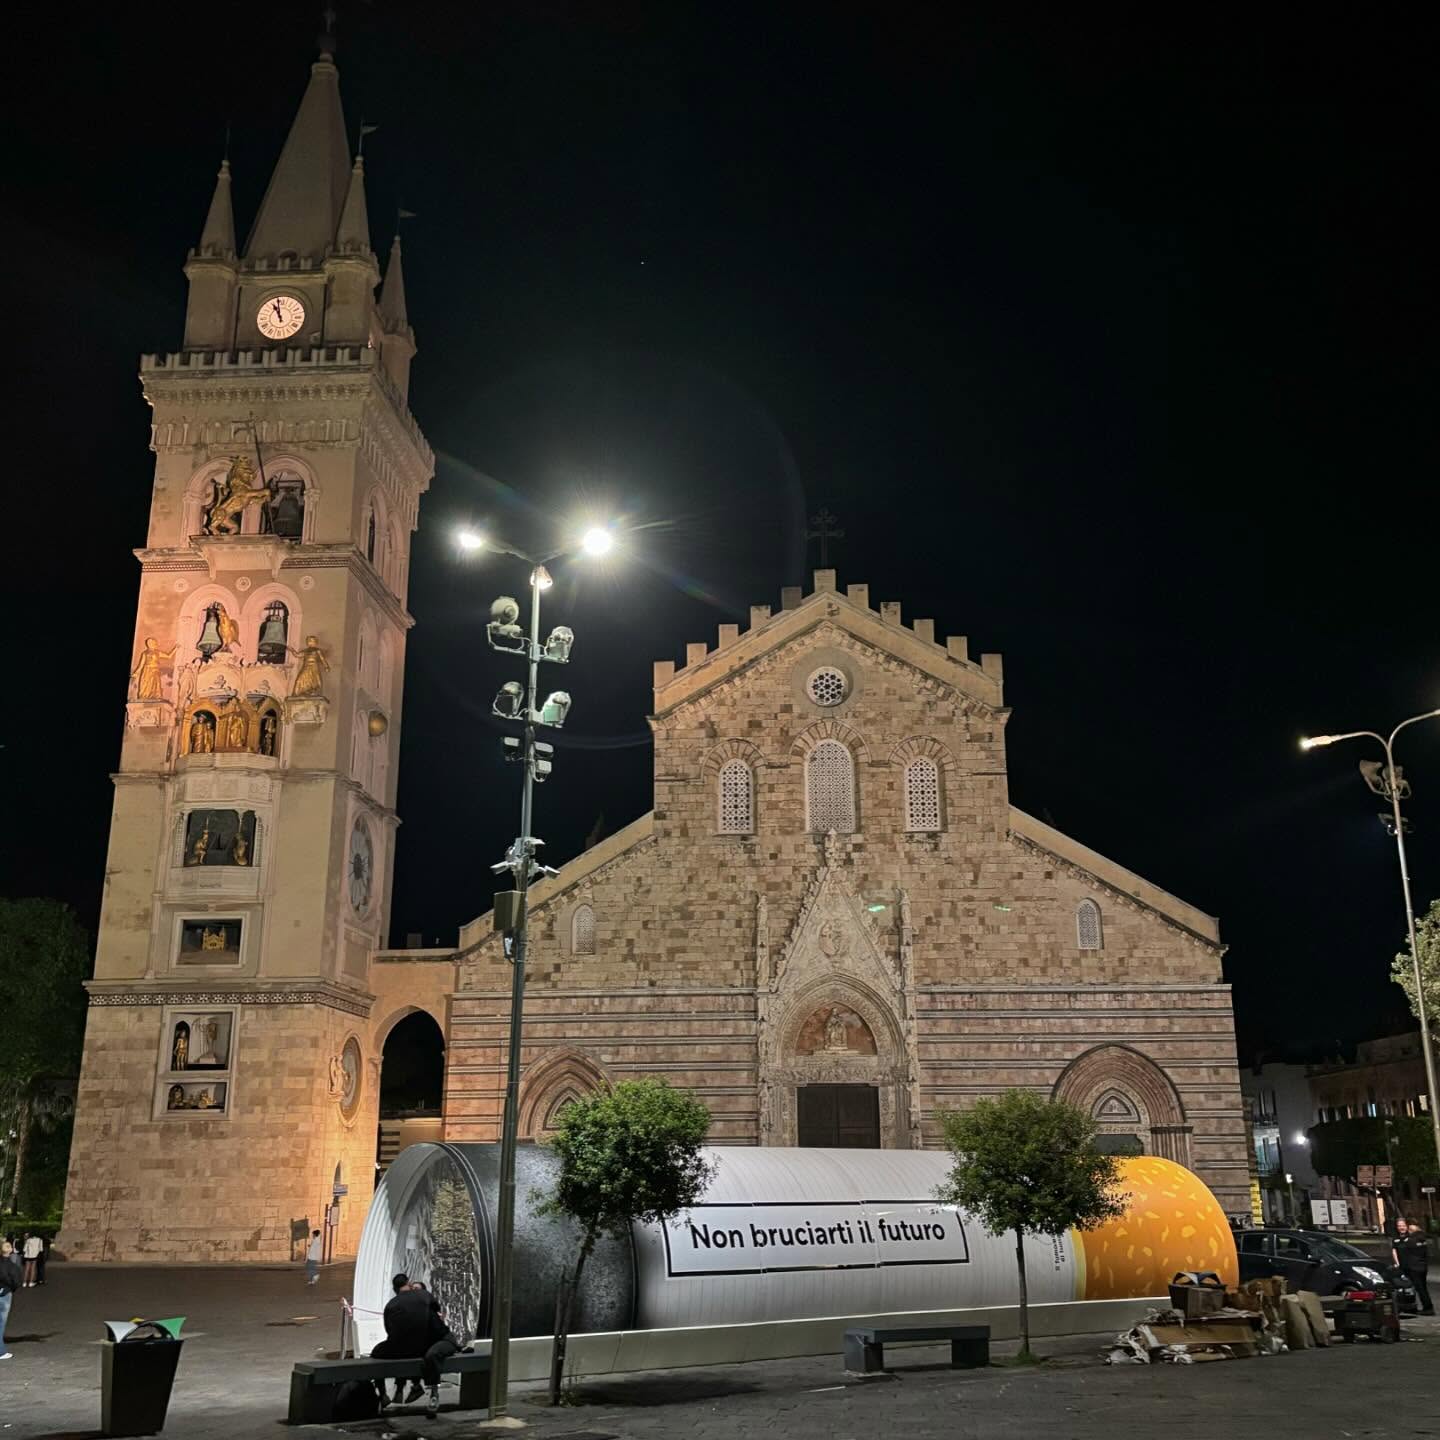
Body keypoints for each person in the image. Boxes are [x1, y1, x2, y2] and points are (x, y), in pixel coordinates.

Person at [371, 1278, 461, 1418]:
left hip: (416, 1344)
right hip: (433, 1340)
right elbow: (436, 1309)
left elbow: (390, 1331)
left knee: (376, 1352)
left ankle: (383, 1394)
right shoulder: (423, 1296)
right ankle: (430, 1394)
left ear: (394, 1289)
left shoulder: (391, 1305)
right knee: (431, 1354)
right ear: (408, 1284)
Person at [1393, 1217, 1434, 1316]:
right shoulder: (1422, 1238)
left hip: (1414, 1267)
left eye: (1407, 1227)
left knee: (1419, 1288)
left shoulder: (1410, 1240)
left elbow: (1404, 1249)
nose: (1406, 1229)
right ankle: (1426, 1307)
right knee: (1422, 1288)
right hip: (1422, 1266)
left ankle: (1428, 1308)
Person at [0, 1239, 21, 1359]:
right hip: (5, 1294)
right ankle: (1, 1351)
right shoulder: (11, 1265)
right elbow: (16, 1281)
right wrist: (10, 1288)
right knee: (1, 1323)